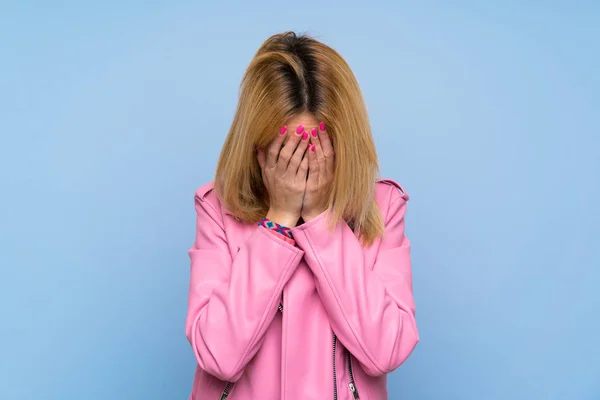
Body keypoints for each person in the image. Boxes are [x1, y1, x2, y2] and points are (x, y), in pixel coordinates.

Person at [185, 31, 418, 400]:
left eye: (315, 150)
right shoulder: (218, 209)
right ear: (258, 147)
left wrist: (322, 220)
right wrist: (277, 221)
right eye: (286, 153)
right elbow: (218, 355)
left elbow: (386, 350)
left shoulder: (382, 207)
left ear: (344, 143)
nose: (302, 170)